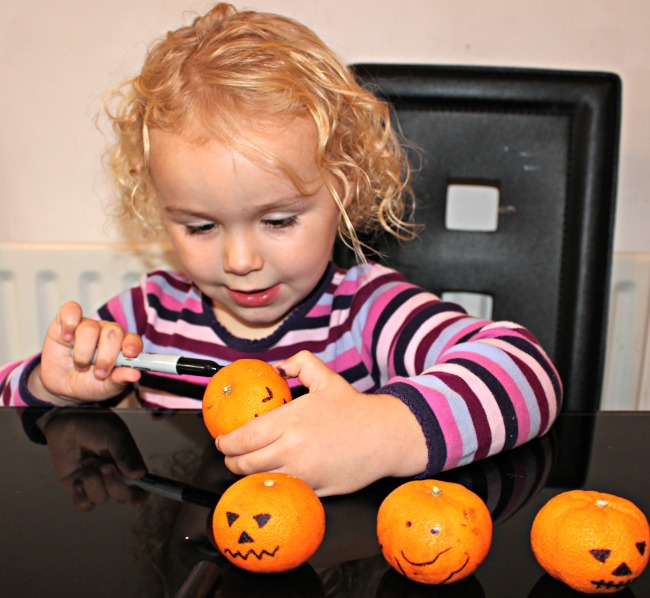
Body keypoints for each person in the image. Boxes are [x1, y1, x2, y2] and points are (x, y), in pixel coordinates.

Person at [0, 2, 562, 496]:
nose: (240, 261)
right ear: (160, 207)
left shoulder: (364, 311)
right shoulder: (147, 317)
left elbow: (528, 373)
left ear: (341, 189)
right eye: (200, 227)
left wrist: (384, 431)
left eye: (278, 219)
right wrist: (48, 385)